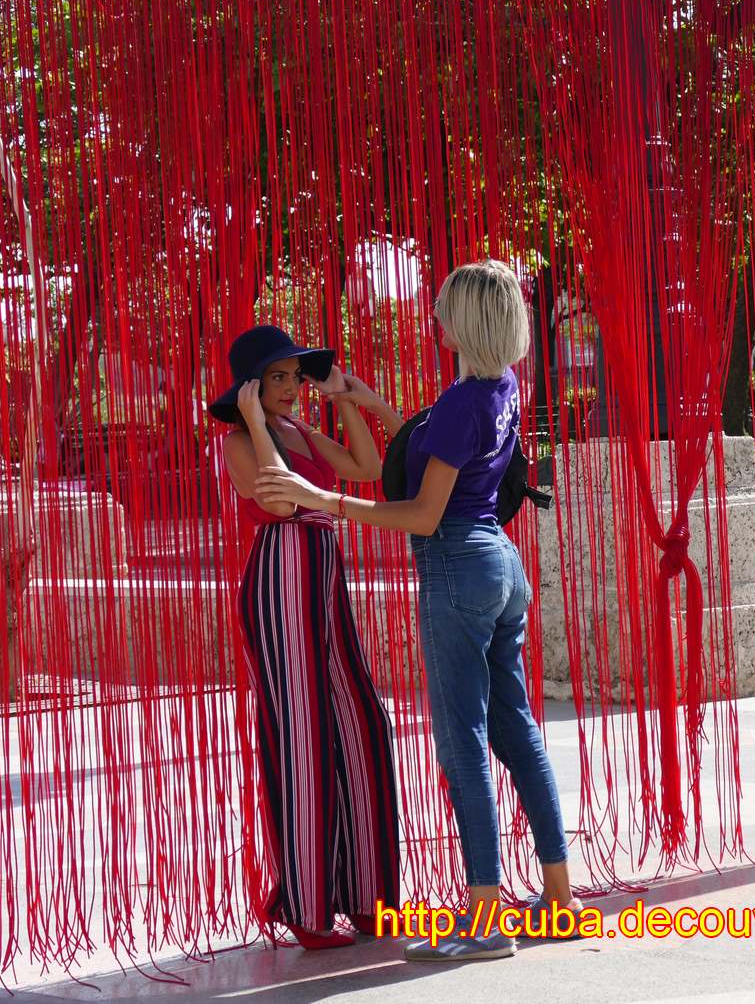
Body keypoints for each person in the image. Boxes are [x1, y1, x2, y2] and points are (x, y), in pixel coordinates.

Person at [256, 260, 579, 962]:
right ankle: (559, 899)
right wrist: (368, 401)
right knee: (517, 731)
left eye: (443, 309)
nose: (434, 319)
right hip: (500, 565)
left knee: (462, 744)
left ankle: (484, 919)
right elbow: (438, 454)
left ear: (467, 322)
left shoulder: (465, 400)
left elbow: (426, 511)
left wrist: (325, 501)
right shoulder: (500, 386)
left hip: (457, 566)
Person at [208, 325, 404, 949]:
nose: (292, 387)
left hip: (322, 570)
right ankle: (306, 906)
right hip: (280, 574)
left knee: (362, 722)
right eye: (278, 377)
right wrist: (253, 420)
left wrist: (343, 398)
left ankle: (369, 897)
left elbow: (369, 469)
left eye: (295, 376)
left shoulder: (298, 429)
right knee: (302, 736)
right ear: (251, 386)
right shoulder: (239, 441)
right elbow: (281, 506)